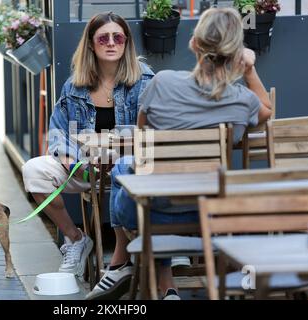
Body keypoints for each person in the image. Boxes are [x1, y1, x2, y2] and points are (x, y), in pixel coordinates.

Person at [87, 7, 272, 300]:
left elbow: (142, 143)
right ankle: (163, 283)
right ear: (237, 53)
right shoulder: (242, 101)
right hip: (208, 213)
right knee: (134, 173)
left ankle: (129, 266)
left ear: (194, 44)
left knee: (127, 168)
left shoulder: (163, 82)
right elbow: (267, 111)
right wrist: (249, 69)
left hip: (151, 213)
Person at [21, 12, 154, 277]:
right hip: (85, 169)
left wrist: (109, 148)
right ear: (91, 44)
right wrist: (69, 159)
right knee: (34, 170)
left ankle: (134, 255)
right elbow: (58, 131)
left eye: (118, 37)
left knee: (126, 167)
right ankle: (76, 239)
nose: (111, 43)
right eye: (103, 38)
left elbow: (150, 131)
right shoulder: (75, 85)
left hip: (131, 168)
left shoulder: (144, 80)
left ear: (126, 42)